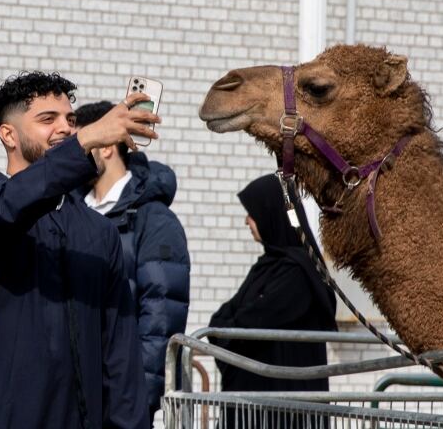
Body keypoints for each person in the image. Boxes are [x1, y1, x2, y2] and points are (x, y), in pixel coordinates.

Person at [0, 72, 159, 429]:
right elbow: (11, 205)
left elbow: (120, 357)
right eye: (48, 119)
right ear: (8, 134)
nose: (66, 129)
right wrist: (88, 137)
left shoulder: (98, 231)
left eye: (71, 121)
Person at [74, 101, 190, 423]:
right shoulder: (69, 212)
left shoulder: (154, 221)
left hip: (118, 403)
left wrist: (134, 404)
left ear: (108, 146)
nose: (72, 153)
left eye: (82, 141)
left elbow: (159, 323)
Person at [209, 174, 337, 428]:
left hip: (284, 413)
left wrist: (230, 328)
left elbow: (250, 321)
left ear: (271, 214)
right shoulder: (267, 268)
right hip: (255, 407)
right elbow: (221, 321)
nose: (247, 221)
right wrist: (229, 328)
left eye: (252, 213)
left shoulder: (299, 274)